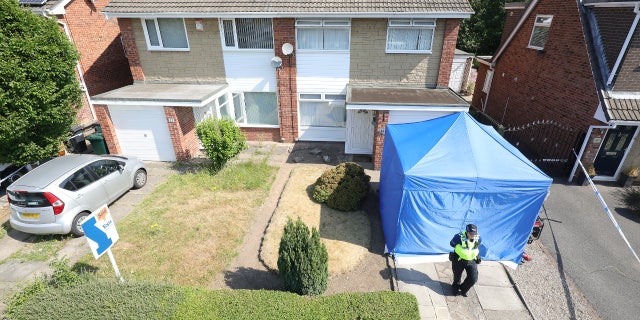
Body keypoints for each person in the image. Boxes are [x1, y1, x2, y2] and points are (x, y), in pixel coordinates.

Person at [450, 223, 482, 297]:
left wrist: (478, 257)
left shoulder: (479, 238)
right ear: (467, 232)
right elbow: (452, 244)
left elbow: (475, 247)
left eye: (474, 234)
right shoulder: (458, 237)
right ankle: (455, 288)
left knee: (473, 278)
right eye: (471, 234)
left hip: (471, 260)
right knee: (457, 276)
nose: (473, 236)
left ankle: (463, 289)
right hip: (459, 259)